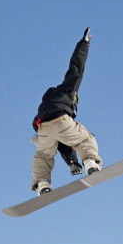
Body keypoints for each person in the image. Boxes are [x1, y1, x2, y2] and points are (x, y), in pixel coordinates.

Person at [31, 27, 103, 195]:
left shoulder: (45, 104)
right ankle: (91, 162)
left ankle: (42, 183)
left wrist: (72, 162)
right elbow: (76, 67)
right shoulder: (67, 89)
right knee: (86, 138)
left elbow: (62, 141)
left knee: (43, 156)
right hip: (61, 120)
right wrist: (84, 44)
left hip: (42, 129)